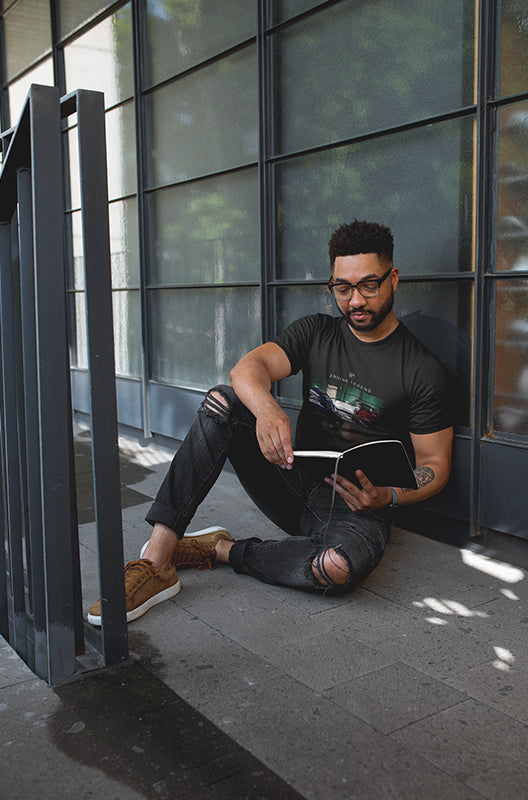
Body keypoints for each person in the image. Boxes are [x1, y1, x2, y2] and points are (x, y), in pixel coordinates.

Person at [88, 220, 453, 625]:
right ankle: (157, 562)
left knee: (336, 568)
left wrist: (388, 496)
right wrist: (266, 409)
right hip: (293, 482)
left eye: (368, 285)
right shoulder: (317, 331)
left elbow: (435, 466)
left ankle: (220, 550)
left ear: (393, 279)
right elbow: (248, 368)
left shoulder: (421, 369)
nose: (355, 301)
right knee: (222, 402)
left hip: (358, 509)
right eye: (342, 288)